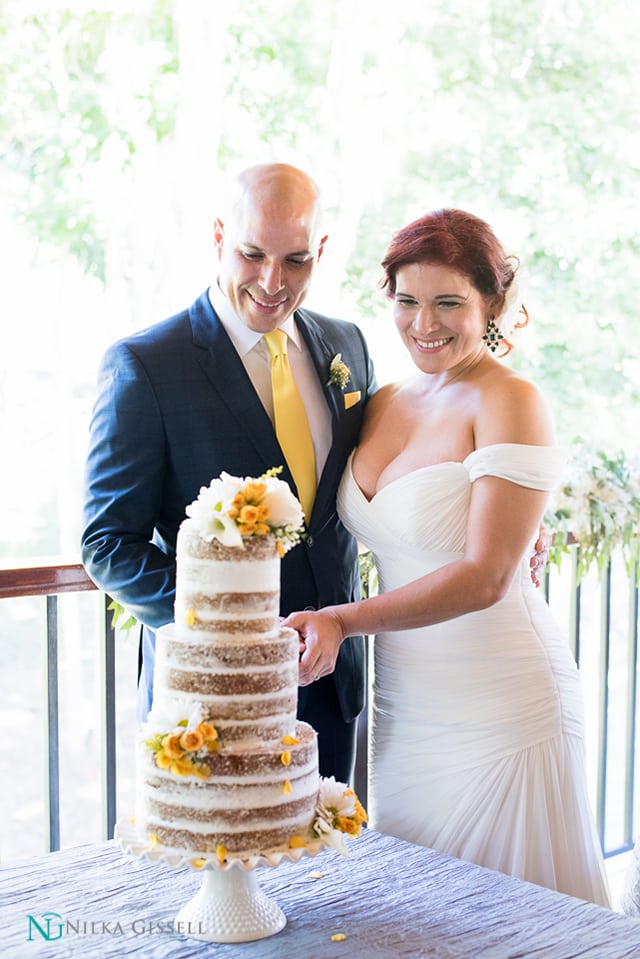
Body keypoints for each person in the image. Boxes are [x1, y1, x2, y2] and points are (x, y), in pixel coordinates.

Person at [284, 208, 611, 906]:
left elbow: (489, 574)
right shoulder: (383, 400)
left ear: (491, 304)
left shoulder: (512, 398)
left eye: (448, 303)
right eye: (406, 301)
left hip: (502, 698)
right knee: (416, 913)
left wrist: (340, 618)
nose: (423, 323)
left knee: (512, 918)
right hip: (405, 702)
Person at [81, 162, 378, 783]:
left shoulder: (347, 346)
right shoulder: (146, 366)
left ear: (320, 251)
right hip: (213, 701)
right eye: (252, 254)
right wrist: (234, 628)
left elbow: (382, 479)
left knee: (336, 881)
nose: (273, 281)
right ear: (219, 237)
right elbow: (108, 545)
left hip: (331, 684)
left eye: (296, 260)